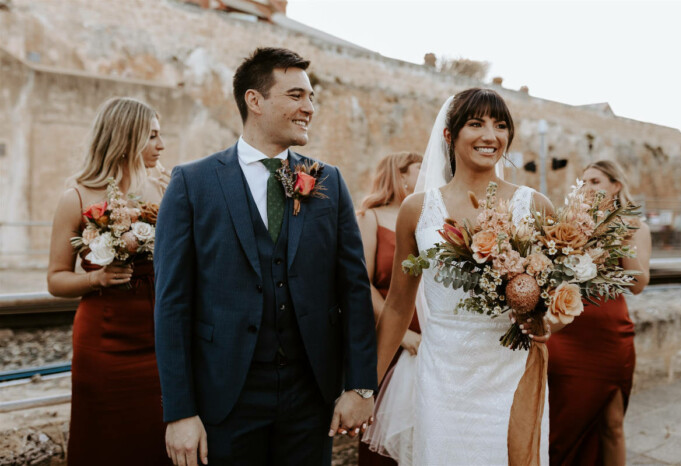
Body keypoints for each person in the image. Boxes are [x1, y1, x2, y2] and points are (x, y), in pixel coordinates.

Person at [153, 47, 377, 466]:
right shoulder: (192, 183)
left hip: (310, 398)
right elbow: (171, 305)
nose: (309, 107)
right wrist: (180, 412)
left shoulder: (328, 181)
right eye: (296, 96)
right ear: (254, 101)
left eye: (311, 97)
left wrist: (360, 386)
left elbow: (354, 288)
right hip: (225, 397)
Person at [371, 89, 556, 464]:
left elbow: (556, 302)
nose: (491, 135)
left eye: (500, 125)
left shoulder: (535, 206)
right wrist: (364, 387)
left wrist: (544, 320)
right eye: (476, 123)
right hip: (442, 381)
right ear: (449, 135)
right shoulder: (417, 209)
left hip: (511, 374)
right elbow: (397, 307)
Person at [47, 97, 169, 465]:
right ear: (124, 138)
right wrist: (97, 278)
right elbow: (55, 280)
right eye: (152, 135)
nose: (161, 145)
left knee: (158, 439)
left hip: (160, 338)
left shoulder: (164, 192)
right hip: (104, 341)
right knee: (105, 443)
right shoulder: (77, 197)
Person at [547, 160, 651, 466]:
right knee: (564, 422)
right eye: (584, 183)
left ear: (615, 185)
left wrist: (621, 236)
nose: (588, 188)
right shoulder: (569, 225)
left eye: (595, 181)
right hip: (567, 333)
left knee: (612, 423)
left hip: (609, 335)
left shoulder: (636, 227)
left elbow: (639, 284)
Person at [355, 152, 422, 466]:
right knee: (383, 426)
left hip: (427, 334)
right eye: (419, 170)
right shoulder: (371, 217)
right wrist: (403, 334)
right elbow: (363, 283)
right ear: (401, 175)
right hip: (388, 333)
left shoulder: (430, 218)